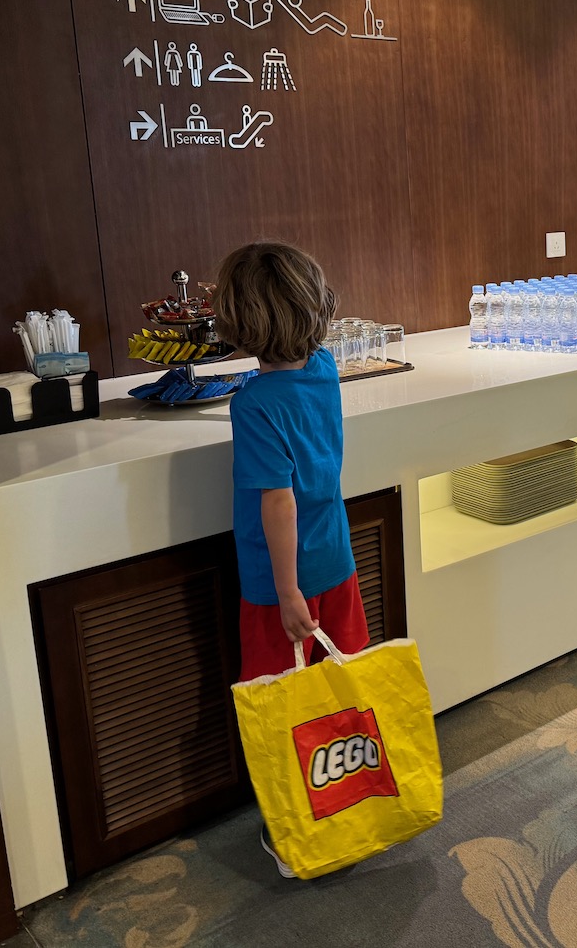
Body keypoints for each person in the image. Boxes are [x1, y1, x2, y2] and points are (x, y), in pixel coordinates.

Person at [211, 241, 368, 878]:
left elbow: (277, 502)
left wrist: (285, 592)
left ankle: (299, 829)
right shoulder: (325, 369)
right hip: (338, 562)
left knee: (282, 706)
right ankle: (352, 805)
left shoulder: (253, 404)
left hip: (283, 586)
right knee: (339, 695)